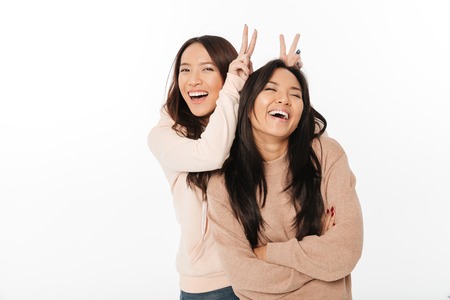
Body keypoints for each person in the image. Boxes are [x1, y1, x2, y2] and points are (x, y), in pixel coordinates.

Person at [147, 24, 303, 299]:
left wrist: (287, 86)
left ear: (226, 74)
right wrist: (233, 89)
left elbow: (300, 148)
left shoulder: (246, 127)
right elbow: (211, 153)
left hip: (264, 274)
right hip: (209, 288)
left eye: (206, 69)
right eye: (185, 70)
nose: (193, 80)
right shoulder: (164, 136)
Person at [207, 59, 364, 299]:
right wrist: (320, 262)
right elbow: (243, 277)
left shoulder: (326, 155)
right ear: (247, 103)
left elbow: (346, 250)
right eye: (271, 89)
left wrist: (267, 253)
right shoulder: (224, 185)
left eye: (295, 94)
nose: (284, 99)